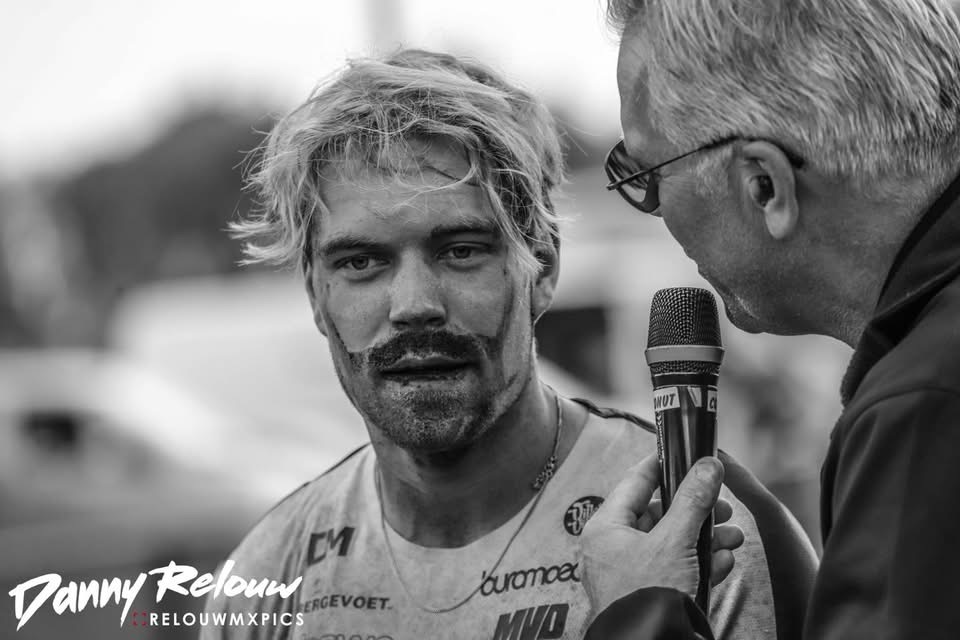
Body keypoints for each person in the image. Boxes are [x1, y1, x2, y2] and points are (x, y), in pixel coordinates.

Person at [200, 49, 817, 639]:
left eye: (460, 251)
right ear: (315, 293)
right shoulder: (270, 572)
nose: (414, 304)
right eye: (361, 262)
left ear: (541, 267)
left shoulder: (706, 539)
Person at [584, 0, 960, 638]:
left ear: (765, 184)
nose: (656, 211)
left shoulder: (924, 405)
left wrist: (639, 610)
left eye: (646, 176)